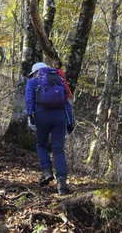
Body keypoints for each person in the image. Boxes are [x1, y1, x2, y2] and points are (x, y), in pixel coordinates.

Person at [25, 62, 75, 195]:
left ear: (35, 71)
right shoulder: (59, 79)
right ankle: (62, 184)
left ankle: (47, 172)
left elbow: (29, 100)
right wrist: (70, 121)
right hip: (60, 117)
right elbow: (67, 103)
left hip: (42, 116)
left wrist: (30, 116)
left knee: (41, 145)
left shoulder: (32, 81)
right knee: (58, 150)